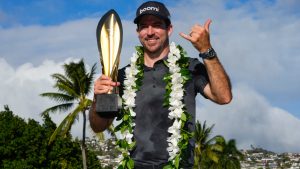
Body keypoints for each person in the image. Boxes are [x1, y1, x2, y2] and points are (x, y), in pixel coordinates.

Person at [89, 1, 232, 168]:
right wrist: (98, 98)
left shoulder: (189, 68)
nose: (150, 32)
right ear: (138, 32)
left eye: (157, 25)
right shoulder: (122, 76)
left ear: (169, 29)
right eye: (144, 26)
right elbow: (99, 126)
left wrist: (206, 50)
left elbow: (224, 97)